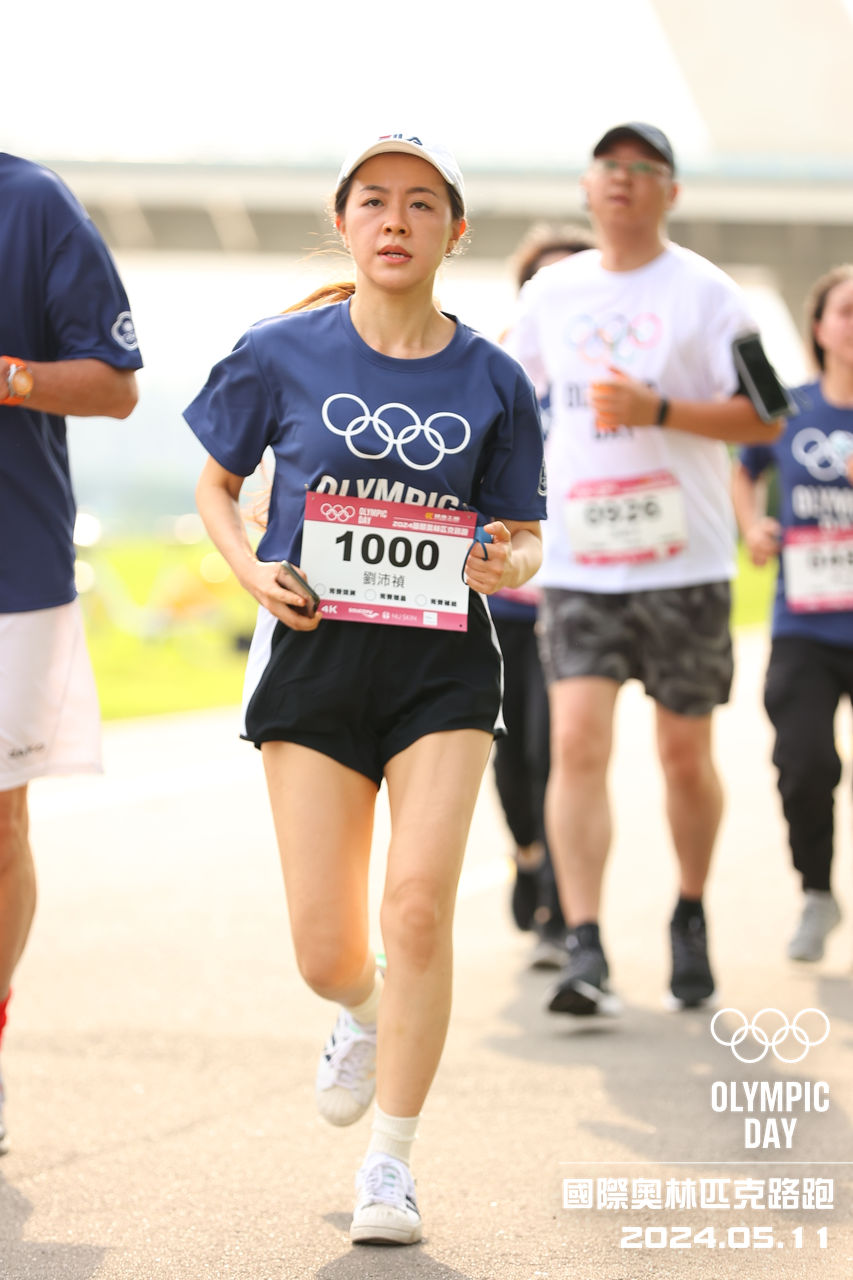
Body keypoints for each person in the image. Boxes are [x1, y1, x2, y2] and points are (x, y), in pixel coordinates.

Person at [184, 133, 545, 1246]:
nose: (396, 220)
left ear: (454, 231)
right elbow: (216, 486)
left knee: (418, 907)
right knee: (327, 951)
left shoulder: (493, 378)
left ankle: (390, 1163)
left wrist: (507, 562)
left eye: (421, 203)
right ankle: (361, 1010)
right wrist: (251, 571)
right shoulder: (276, 352)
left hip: (443, 664)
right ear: (344, 224)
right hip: (314, 657)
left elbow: (524, 532)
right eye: (375, 201)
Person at [503, 122, 784, 1018]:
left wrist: (659, 409)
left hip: (682, 562)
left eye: (642, 168)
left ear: (670, 192)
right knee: (575, 743)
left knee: (681, 755)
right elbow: (504, 397)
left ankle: (689, 912)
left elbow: (767, 415)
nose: (622, 180)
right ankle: (582, 939)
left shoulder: (707, 293)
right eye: (608, 167)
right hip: (580, 561)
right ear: (586, 188)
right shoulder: (551, 294)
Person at [0, 152, 142, 1154]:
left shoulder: (33, 203)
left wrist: (8, 376)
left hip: (10, 564)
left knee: (0, 822)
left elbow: (114, 385)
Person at [733, 264, 853, 962]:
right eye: (846, 311)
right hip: (804, 623)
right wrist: (753, 526)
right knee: (802, 761)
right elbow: (745, 469)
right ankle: (816, 893)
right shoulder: (787, 407)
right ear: (819, 326)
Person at [491, 223, 594, 967]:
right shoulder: (499, 372)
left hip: (576, 592)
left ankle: (560, 908)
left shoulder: (609, 377)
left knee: (552, 749)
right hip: (505, 598)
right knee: (509, 755)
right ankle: (528, 852)